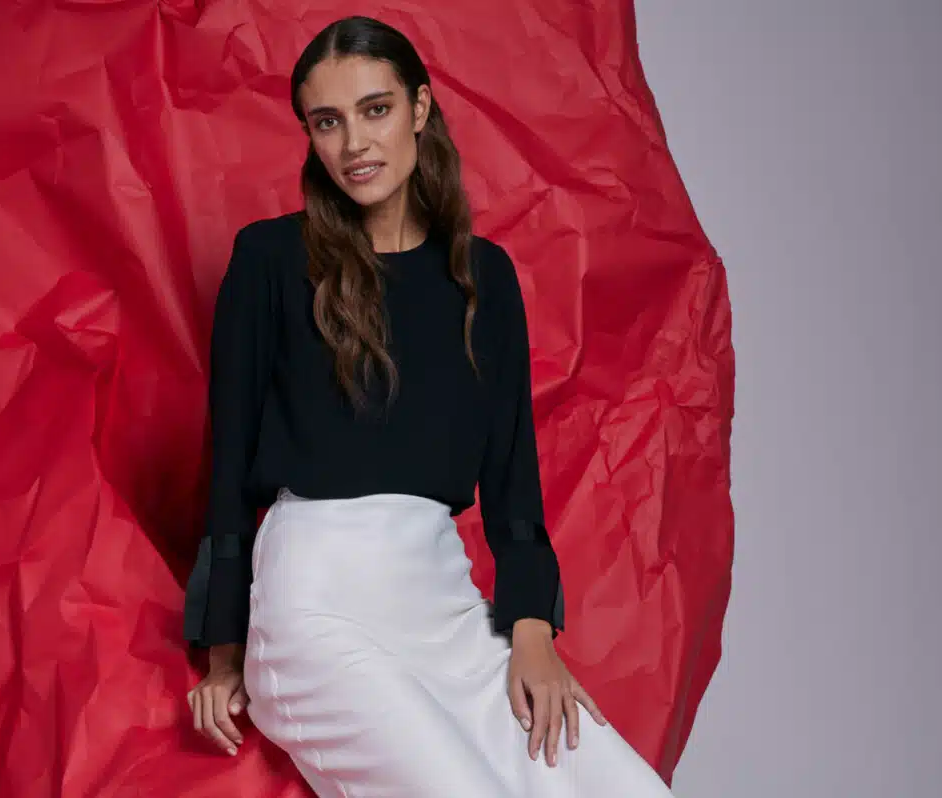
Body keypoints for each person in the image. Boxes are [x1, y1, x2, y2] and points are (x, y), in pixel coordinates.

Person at [183, 14, 674, 797]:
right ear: (308, 135)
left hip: (445, 611)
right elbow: (231, 463)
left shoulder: (486, 277)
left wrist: (532, 632)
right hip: (315, 610)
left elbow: (514, 478)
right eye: (327, 121)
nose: (354, 144)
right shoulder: (269, 259)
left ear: (419, 108)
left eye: (375, 109)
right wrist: (225, 654)